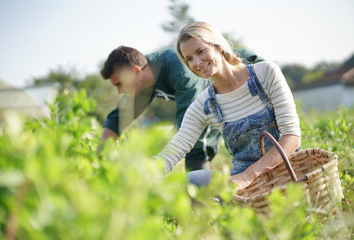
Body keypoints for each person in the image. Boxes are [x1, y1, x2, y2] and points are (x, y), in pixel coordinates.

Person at [155, 22, 301, 190]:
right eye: (189, 59)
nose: (196, 62)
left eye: (200, 51)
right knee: (190, 181)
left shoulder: (265, 73)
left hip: (288, 170)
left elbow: (292, 138)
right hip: (241, 183)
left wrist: (249, 175)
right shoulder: (204, 105)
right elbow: (175, 149)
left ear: (218, 46)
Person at [99, 44, 264, 171]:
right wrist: (99, 161)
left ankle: (200, 205)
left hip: (256, 82)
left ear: (136, 71)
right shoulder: (141, 82)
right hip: (227, 97)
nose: (120, 91)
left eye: (120, 84)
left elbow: (191, 125)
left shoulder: (178, 69)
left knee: (200, 147)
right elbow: (117, 120)